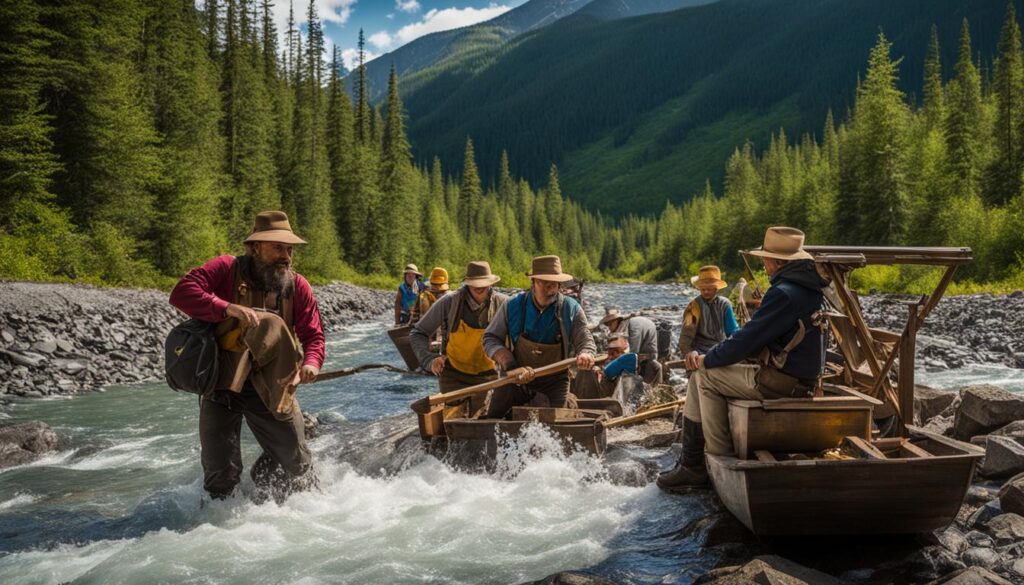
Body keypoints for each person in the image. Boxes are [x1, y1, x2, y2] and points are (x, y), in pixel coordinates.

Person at [657, 227, 828, 492]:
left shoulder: (782, 293)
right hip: (801, 379)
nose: (764, 263)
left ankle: (713, 460)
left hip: (781, 381)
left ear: (776, 261)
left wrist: (709, 359)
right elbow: (691, 336)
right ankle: (692, 462)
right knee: (705, 371)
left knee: (703, 376)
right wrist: (699, 353)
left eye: (766, 258)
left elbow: (744, 338)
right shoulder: (811, 290)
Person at [169, 211, 324, 502]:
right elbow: (182, 293)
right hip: (221, 385)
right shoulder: (226, 268)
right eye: (278, 247)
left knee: (297, 463)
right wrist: (226, 307)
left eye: (289, 249)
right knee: (219, 475)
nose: (286, 256)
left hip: (275, 386)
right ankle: (219, 523)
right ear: (254, 247)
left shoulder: (297, 285)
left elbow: (313, 335)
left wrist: (312, 362)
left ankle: (284, 491)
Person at [482, 255, 596, 418]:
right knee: (492, 421)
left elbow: (585, 340)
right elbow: (490, 338)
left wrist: (586, 353)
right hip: (515, 378)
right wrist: (510, 365)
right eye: (545, 283)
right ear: (533, 283)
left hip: (556, 381)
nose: (551, 288)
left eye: (555, 284)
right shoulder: (512, 306)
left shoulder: (571, 309)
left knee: (558, 432)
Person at [409, 261, 509, 418]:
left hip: (489, 378)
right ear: (467, 283)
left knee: (481, 424)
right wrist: (430, 360)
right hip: (453, 376)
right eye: (475, 282)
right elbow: (418, 333)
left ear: (491, 283)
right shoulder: (449, 302)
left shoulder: (504, 304)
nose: (480, 286)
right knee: (454, 425)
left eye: (484, 282)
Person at [678, 265, 739, 371]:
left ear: (716, 289)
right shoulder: (694, 306)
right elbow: (686, 335)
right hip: (699, 352)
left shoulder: (724, 304)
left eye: (709, 289)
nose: (706, 292)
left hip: (721, 349)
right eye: (703, 289)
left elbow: (732, 331)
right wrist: (689, 352)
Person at [601, 307, 662, 384]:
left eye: (610, 324)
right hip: (645, 354)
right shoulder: (628, 325)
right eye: (607, 325)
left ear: (616, 321)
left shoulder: (634, 326)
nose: (609, 328)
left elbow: (633, 353)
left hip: (648, 356)